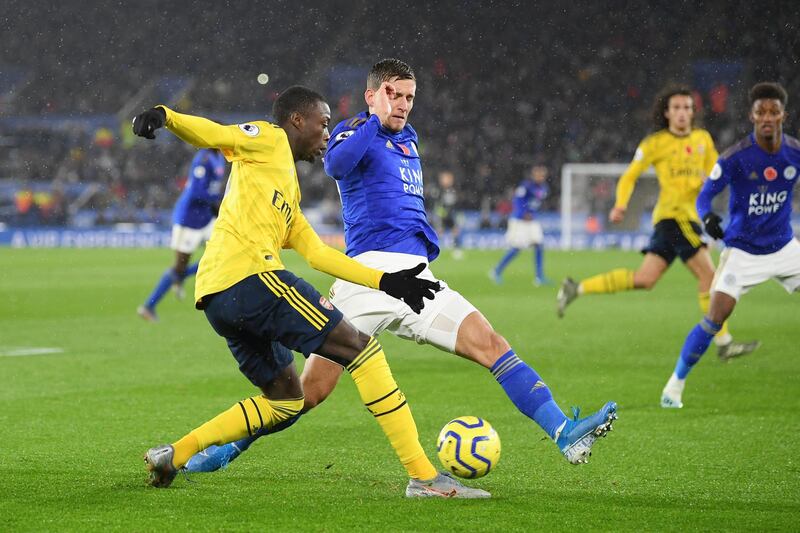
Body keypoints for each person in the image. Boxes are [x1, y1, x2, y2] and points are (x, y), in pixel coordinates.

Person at [187, 59, 617, 474]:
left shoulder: (409, 140)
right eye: (393, 95)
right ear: (371, 96)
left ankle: (563, 430)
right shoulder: (352, 131)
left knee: (492, 343)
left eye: (409, 96)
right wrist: (373, 118)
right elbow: (335, 166)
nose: (403, 103)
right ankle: (226, 448)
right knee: (309, 393)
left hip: (414, 279)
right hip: (368, 277)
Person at [132, 85, 489, 498]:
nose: (326, 135)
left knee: (286, 401)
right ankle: (425, 477)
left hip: (217, 299)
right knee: (362, 349)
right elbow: (217, 134)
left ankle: (174, 454)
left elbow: (319, 254)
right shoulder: (268, 138)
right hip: (250, 279)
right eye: (322, 124)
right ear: (297, 121)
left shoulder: (287, 190)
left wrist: (387, 281)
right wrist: (166, 115)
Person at [557, 85, 759, 360]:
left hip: (684, 219)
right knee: (709, 277)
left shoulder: (703, 139)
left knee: (645, 279)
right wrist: (620, 203)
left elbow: (718, 172)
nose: (682, 113)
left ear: (692, 112)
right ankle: (724, 342)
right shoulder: (654, 143)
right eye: (676, 108)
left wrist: (712, 181)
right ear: (666, 113)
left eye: (687, 108)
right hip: (673, 217)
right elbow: (630, 175)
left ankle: (577, 287)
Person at [661, 82, 800, 408]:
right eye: (760, 112)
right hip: (743, 253)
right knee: (714, 318)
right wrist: (707, 217)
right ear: (752, 116)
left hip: (785, 248)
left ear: (783, 115)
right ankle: (674, 386)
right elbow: (705, 195)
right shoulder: (737, 157)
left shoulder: (794, 151)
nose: (767, 117)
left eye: (773, 111)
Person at [137, 148, 226, 322]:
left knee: (224, 254)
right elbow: (196, 192)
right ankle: (149, 306)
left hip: (207, 216)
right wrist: (216, 202)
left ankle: (179, 277)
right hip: (189, 219)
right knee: (179, 266)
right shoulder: (203, 159)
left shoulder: (219, 157)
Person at [490, 164, 551, 285]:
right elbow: (517, 201)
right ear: (533, 175)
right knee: (516, 248)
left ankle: (539, 277)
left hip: (532, 220)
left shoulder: (544, 188)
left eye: (542, 174)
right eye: (538, 174)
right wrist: (523, 213)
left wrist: (531, 213)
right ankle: (496, 271)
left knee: (539, 245)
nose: (540, 176)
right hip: (520, 220)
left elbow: (535, 203)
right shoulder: (526, 186)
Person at [430, 170, 464, 259]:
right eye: (444, 179)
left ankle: (457, 250)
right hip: (441, 216)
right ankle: (435, 251)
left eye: (448, 179)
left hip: (451, 215)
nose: (446, 180)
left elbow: (456, 203)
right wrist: (440, 212)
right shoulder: (439, 190)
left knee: (455, 231)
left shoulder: (454, 190)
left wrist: (457, 213)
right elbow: (436, 204)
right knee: (439, 232)